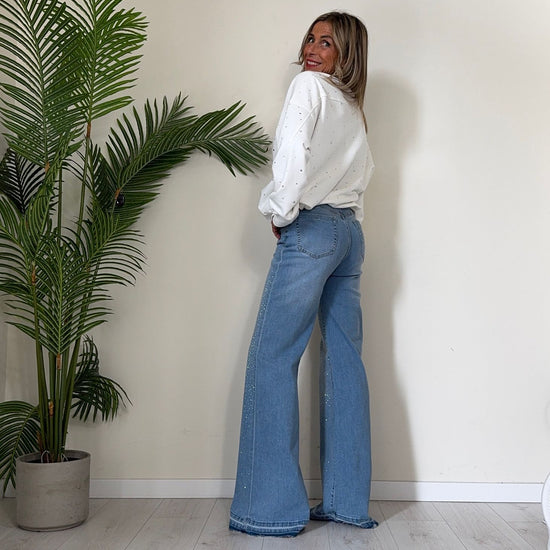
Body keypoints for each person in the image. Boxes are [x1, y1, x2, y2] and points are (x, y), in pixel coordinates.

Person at [229, 11, 377, 537]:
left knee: (272, 357)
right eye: (311, 39)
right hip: (350, 235)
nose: (312, 49)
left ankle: (268, 511)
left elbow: (292, 154)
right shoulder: (352, 106)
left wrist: (281, 210)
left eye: (327, 43)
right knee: (345, 363)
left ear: (347, 53)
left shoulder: (309, 88)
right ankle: (346, 502)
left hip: (313, 229)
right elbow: (362, 173)